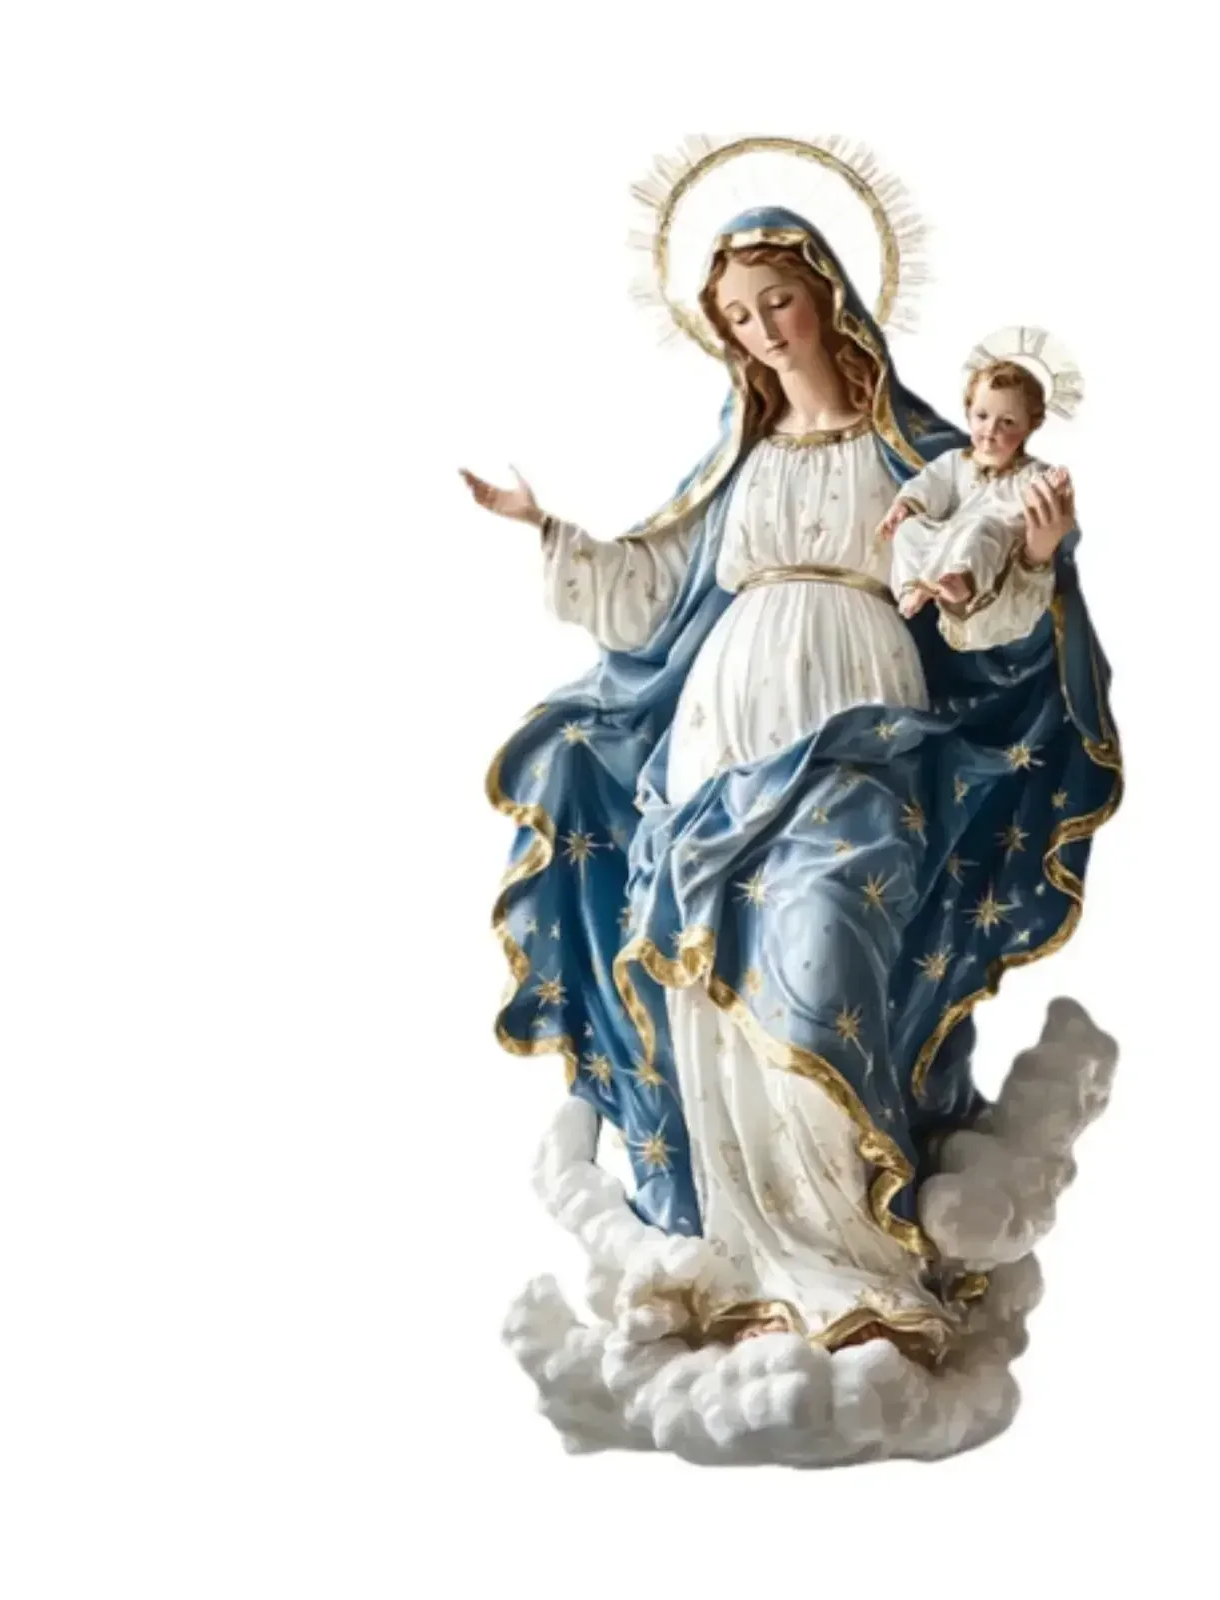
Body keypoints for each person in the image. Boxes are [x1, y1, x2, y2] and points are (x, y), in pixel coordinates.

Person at [460, 208, 1121, 1366]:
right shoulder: (740, 459)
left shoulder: (925, 453)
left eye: (777, 302)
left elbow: (980, 613)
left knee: (825, 948)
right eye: (737, 316)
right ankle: (748, 1266)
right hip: (719, 727)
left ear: (828, 299)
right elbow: (649, 591)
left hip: (860, 715)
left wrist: (1030, 556)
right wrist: (546, 527)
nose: (762, 330)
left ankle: (862, 1260)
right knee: (709, 975)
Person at [880, 359, 1077, 629]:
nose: (991, 431)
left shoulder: (1028, 473)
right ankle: (913, 586)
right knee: (909, 531)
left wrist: (1051, 487)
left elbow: (1040, 497)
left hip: (989, 542)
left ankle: (964, 583)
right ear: (969, 412)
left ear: (1028, 427)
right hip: (946, 535)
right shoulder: (955, 461)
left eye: (1007, 422)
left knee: (979, 531)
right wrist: (905, 505)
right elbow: (929, 484)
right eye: (982, 416)